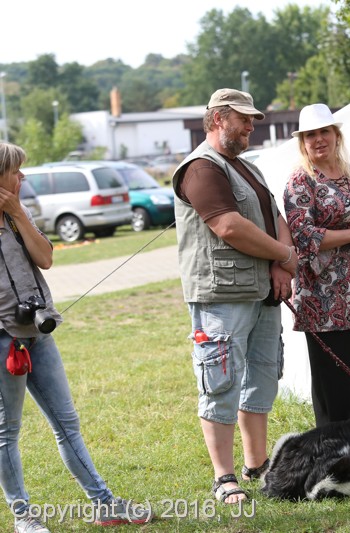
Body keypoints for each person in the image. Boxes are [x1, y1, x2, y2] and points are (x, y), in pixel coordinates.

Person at [0, 142, 152, 532]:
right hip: (3, 340)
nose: (23, 177)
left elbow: (46, 258)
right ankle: (23, 517)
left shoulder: (18, 214)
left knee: (67, 423)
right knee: (7, 433)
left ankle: (105, 504)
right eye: (16, 172)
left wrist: (17, 213)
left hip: (38, 332)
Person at [172, 89, 296, 504]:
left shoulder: (247, 167)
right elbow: (228, 226)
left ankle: (257, 465)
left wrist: (280, 264)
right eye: (243, 119)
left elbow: (274, 217)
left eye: (252, 121)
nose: (250, 128)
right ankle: (224, 478)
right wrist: (285, 255)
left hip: (261, 290)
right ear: (218, 119)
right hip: (221, 294)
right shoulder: (201, 168)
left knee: (262, 375)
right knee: (220, 383)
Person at [283, 103, 350, 427]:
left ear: (336, 135)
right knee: (337, 388)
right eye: (310, 135)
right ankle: (337, 448)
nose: (318, 139)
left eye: (324, 132)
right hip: (325, 300)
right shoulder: (301, 181)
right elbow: (303, 236)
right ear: (302, 142)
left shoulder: (345, 172)